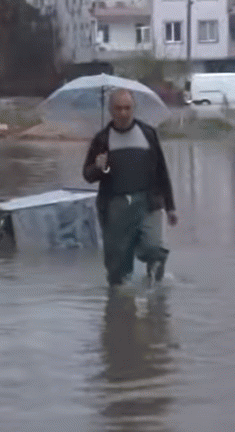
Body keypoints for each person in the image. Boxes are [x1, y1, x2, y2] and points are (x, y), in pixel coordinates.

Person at [82, 88, 178, 288]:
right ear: (110, 110)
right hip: (115, 206)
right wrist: (101, 167)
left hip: (148, 202)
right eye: (118, 108)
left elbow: (162, 171)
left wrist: (170, 207)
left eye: (127, 108)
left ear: (134, 109)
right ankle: (120, 311)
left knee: (155, 248)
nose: (123, 113)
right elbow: (88, 176)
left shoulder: (148, 134)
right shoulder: (102, 140)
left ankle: (155, 289)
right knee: (118, 274)